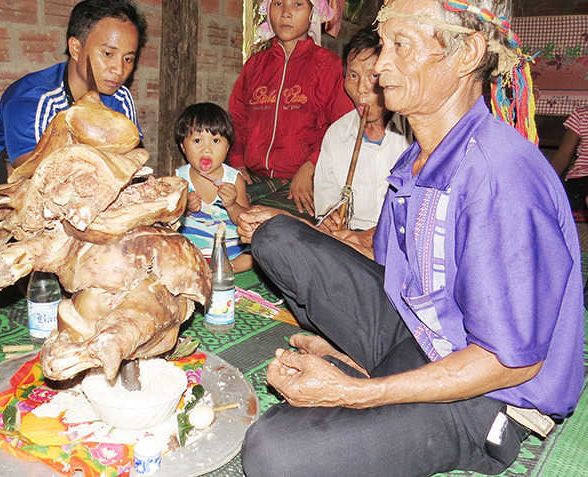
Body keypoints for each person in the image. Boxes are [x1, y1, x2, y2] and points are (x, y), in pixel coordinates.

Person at [236, 0, 585, 476]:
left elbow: (510, 364)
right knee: (278, 236)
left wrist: (359, 393)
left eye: (401, 45)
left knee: (272, 454)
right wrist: (307, 233)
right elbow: (389, 255)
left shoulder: (499, 178)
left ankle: (375, 380)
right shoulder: (419, 159)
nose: (380, 65)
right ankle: (367, 364)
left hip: (487, 394)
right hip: (421, 327)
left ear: (467, 55)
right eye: (384, 45)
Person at [0, 0, 147, 227]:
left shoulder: (119, 96)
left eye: (128, 58)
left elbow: (133, 162)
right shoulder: (32, 98)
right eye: (108, 53)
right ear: (76, 48)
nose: (119, 70)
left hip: (74, 187)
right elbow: (37, 177)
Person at [228, 0, 353, 217]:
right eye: (278, 3)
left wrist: (310, 167)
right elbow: (238, 118)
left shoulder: (330, 67)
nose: (286, 13)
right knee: (213, 213)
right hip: (255, 178)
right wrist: (237, 163)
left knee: (266, 229)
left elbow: (343, 128)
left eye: (297, 4)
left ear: (313, 12)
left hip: (305, 183)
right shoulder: (254, 66)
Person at [314, 25, 414, 232]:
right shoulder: (336, 135)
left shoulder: (414, 132)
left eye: (373, 76)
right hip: (351, 242)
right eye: (353, 76)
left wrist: (374, 238)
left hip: (402, 239)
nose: (361, 89)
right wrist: (330, 219)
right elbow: (326, 207)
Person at [175, 103, 252, 273]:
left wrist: (232, 205)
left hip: (229, 246)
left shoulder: (234, 179)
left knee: (254, 256)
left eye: (215, 140)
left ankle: (228, 267)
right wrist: (185, 208)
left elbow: (244, 220)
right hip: (191, 245)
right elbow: (169, 218)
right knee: (168, 248)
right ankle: (203, 266)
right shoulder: (180, 179)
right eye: (197, 140)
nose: (206, 149)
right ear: (183, 147)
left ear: (227, 147)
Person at [550, 106, 588, 221]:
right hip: (582, 179)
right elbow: (562, 157)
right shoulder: (582, 115)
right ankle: (577, 212)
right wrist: (544, 184)